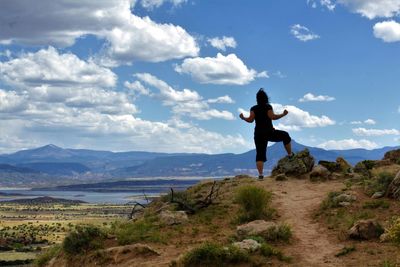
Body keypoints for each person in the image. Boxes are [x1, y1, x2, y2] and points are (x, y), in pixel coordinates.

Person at [240, 88, 293, 180]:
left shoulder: (254, 108)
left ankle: (260, 175)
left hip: (258, 134)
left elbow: (250, 120)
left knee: (260, 154)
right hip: (269, 132)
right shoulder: (268, 106)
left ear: (257, 99)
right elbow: (273, 117)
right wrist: (283, 114)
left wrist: (243, 117)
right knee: (285, 135)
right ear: (266, 98)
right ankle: (290, 155)